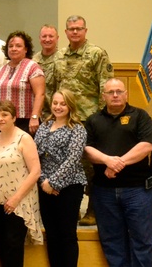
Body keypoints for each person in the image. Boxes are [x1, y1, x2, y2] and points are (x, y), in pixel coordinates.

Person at [83, 78, 152, 267]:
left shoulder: (140, 116)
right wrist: (107, 160)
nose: (115, 95)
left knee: (142, 241)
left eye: (119, 91)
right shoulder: (93, 120)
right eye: (110, 92)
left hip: (137, 190)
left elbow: (147, 145)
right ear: (103, 96)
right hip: (104, 191)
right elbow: (87, 149)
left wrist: (118, 163)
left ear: (126, 94)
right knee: (112, 242)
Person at [50, 15, 113, 226]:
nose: (75, 32)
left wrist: (102, 119)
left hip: (89, 120)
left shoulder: (96, 54)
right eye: (71, 29)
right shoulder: (58, 56)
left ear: (85, 30)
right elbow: (53, 87)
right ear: (66, 32)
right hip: (64, 120)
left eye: (78, 28)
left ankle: (93, 210)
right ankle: (73, 208)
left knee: (91, 167)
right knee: (67, 164)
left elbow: (105, 86)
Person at [0, 101, 43, 267]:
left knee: (13, 247)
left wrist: (16, 199)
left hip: (17, 203)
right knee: (1, 246)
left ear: (14, 117)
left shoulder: (24, 138)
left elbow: (35, 171)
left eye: (4, 115)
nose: (0, 119)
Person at [34, 90, 86, 267]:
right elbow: (35, 156)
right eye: (55, 103)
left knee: (67, 235)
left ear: (70, 106)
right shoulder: (44, 126)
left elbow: (73, 159)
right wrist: (43, 182)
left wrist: (53, 182)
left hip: (70, 187)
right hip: (44, 187)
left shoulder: (77, 129)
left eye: (63, 104)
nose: (58, 107)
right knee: (52, 234)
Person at [0, 31, 45, 135]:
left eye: (18, 46)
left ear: (26, 49)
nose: (14, 48)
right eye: (10, 46)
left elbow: (40, 94)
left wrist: (35, 117)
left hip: (25, 121)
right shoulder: (1, 70)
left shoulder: (33, 67)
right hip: (3, 121)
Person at [33, 25, 60, 112]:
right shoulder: (33, 60)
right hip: (37, 112)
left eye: (51, 36)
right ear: (39, 38)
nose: (47, 39)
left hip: (57, 110)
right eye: (44, 36)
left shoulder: (63, 59)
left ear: (57, 38)